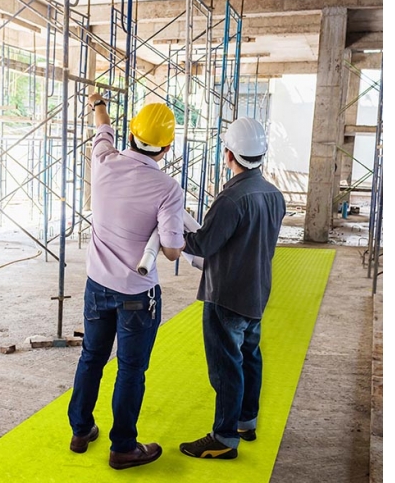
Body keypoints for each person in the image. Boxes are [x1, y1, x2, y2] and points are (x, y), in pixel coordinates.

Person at [67, 93, 185, 470]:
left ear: (131, 134)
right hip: (136, 294)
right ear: (167, 147)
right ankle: (123, 447)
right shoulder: (168, 189)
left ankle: (81, 429)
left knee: (92, 358)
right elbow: (171, 250)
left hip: (96, 286)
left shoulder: (102, 161)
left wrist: (98, 103)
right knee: (130, 370)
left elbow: (102, 127)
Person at [179, 117, 286, 460]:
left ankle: (224, 437)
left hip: (226, 294)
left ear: (229, 154)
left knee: (226, 366)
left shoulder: (232, 199)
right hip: (256, 291)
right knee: (250, 357)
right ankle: (245, 421)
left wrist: (174, 233)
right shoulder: (273, 195)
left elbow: (204, 244)